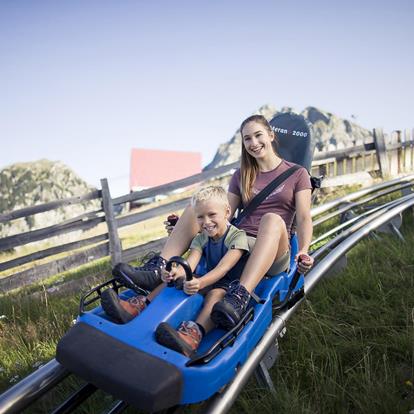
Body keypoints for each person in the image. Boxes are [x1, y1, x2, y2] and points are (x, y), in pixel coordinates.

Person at [112, 114, 314, 331]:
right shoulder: (242, 175)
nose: (253, 143)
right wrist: (191, 225)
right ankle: (158, 268)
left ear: (271, 135)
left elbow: (303, 217)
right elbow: (221, 213)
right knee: (195, 207)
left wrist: (303, 250)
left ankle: (240, 295)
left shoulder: (297, 174)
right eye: (247, 139)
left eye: (258, 136)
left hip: (273, 248)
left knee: (271, 219)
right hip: (237, 243)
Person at [101, 186, 249, 336]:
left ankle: (194, 333)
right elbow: (192, 261)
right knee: (174, 279)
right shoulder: (201, 238)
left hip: (228, 285)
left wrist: (201, 283)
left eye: (212, 215)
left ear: (227, 212)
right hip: (205, 279)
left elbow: (223, 268)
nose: (206, 222)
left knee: (215, 295)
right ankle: (140, 305)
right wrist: (174, 272)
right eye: (200, 217)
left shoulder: (237, 237)